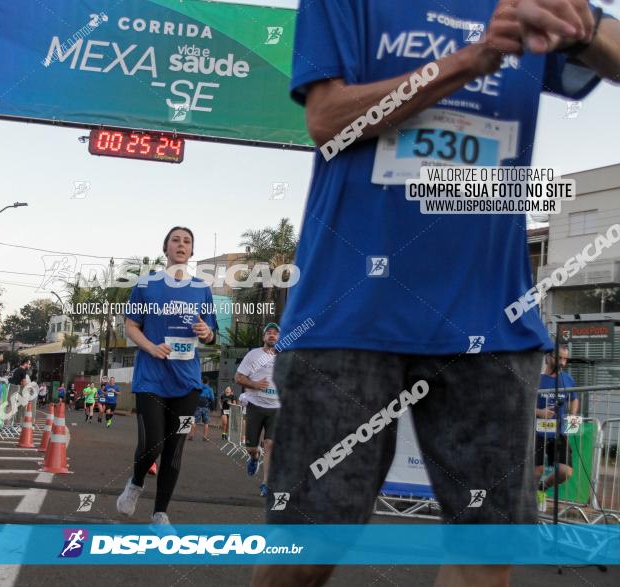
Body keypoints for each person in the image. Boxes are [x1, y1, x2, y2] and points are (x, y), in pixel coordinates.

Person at [255, 1, 620, 586]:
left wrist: (587, 25)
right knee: (311, 547)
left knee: (488, 551)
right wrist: (470, 61)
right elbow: (327, 119)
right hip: (350, 312)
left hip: (492, 318)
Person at [116, 226, 218, 525]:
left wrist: (207, 332)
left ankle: (160, 515)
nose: (181, 245)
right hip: (151, 378)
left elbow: (211, 335)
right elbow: (131, 325)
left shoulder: (201, 288)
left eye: (187, 241)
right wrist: (150, 347)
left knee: (175, 449)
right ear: (166, 248)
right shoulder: (146, 285)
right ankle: (135, 483)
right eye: (176, 240)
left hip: (187, 382)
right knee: (154, 443)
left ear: (192, 251)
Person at [235, 323, 281, 497]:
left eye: (275, 333)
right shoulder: (254, 355)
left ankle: (266, 484)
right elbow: (238, 377)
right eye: (268, 333)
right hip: (255, 406)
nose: (272, 335)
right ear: (263, 337)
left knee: (270, 444)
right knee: (252, 448)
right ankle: (254, 457)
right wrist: (255, 384)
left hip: (276, 408)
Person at [536, 345, 580, 510]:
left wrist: (573, 416)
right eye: (559, 358)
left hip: (558, 432)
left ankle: (542, 487)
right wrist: (539, 412)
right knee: (537, 470)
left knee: (565, 471)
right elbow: (522, 403)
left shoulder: (568, 379)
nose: (562, 362)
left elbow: (574, 398)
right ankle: (529, 505)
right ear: (548, 357)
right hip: (536, 432)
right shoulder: (535, 378)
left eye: (565, 359)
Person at [189, 376, 215, 441]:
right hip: (206, 407)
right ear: (208, 381)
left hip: (198, 406)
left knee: (194, 421)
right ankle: (205, 437)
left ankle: (191, 435)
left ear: (202, 381)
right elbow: (212, 398)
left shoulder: (198, 387)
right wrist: (213, 408)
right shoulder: (210, 389)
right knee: (206, 423)